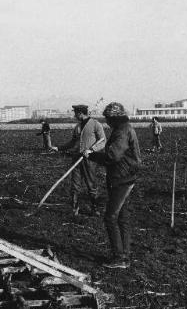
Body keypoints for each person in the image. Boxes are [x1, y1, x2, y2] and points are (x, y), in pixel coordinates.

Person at [88, 102, 142, 269]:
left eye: (108, 119)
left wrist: (92, 155)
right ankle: (125, 254)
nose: (107, 122)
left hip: (121, 179)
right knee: (122, 217)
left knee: (110, 217)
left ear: (114, 117)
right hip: (125, 177)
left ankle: (119, 258)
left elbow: (113, 156)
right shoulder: (124, 128)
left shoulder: (122, 131)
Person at [56, 104, 106, 216]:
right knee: (75, 185)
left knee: (91, 184)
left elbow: (103, 141)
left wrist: (92, 150)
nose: (74, 115)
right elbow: (72, 143)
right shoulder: (77, 127)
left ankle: (95, 208)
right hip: (76, 159)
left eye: (75, 113)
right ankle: (75, 208)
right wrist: (59, 148)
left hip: (90, 160)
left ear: (80, 113)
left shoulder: (95, 124)